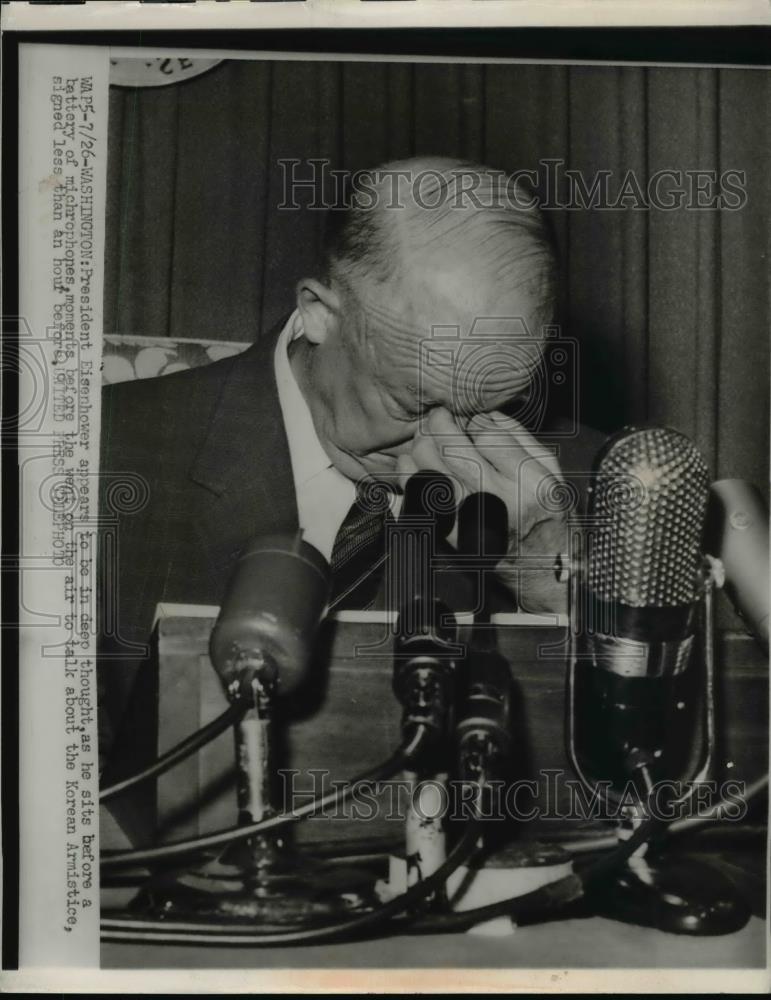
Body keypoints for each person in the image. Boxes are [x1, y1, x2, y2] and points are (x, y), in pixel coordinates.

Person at [97, 157, 601, 771]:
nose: (447, 447)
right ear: (318, 312)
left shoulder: (581, 490)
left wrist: (552, 585)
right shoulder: (97, 460)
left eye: (488, 409)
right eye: (413, 401)